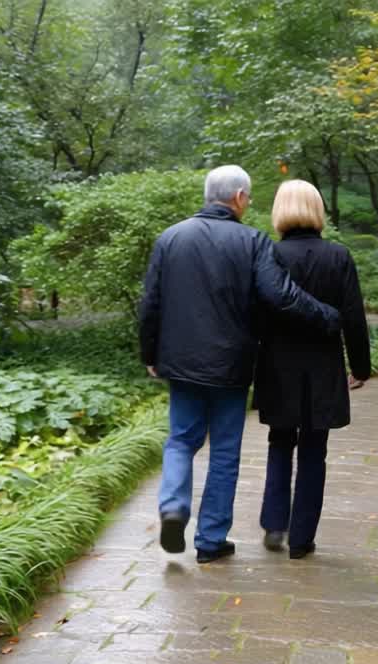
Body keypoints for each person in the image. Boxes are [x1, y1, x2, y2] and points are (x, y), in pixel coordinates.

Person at [137, 166, 341, 564]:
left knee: (181, 439)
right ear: (241, 198)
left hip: (179, 363)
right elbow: (280, 295)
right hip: (230, 365)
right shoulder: (251, 241)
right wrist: (328, 316)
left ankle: (174, 508)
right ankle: (210, 541)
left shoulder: (171, 237)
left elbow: (151, 304)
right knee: (225, 452)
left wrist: (150, 355)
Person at [253, 180, 371, 560]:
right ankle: (302, 539)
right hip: (322, 365)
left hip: (278, 364)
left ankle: (274, 524)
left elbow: (254, 314)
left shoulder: (269, 254)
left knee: (279, 441)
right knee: (314, 449)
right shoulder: (338, 256)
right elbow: (353, 316)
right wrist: (361, 366)